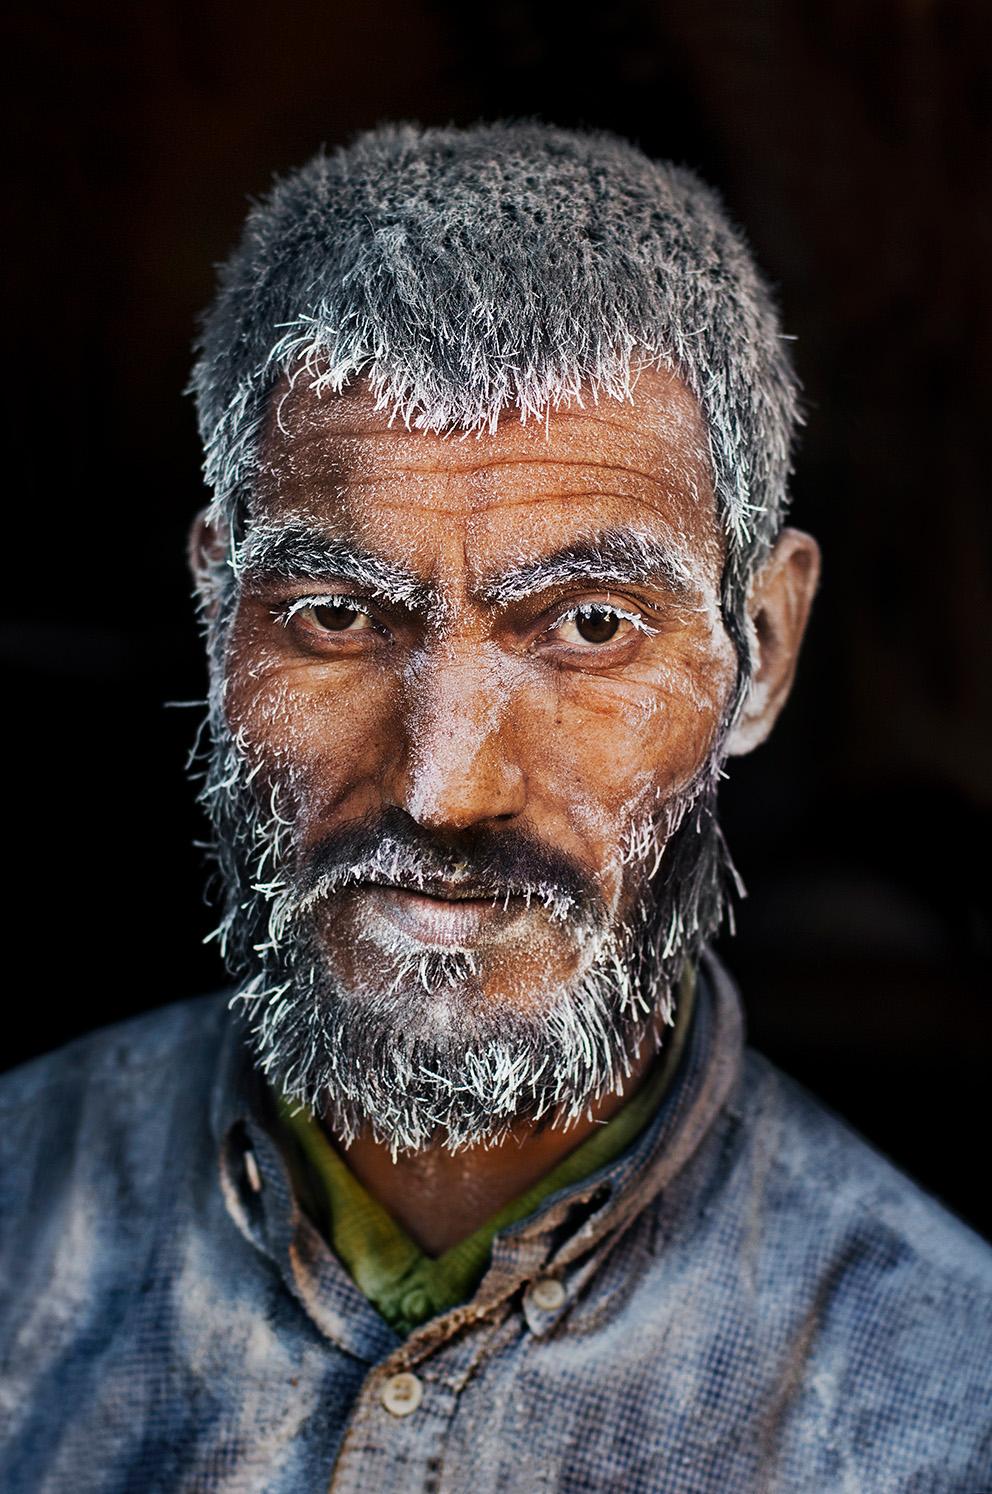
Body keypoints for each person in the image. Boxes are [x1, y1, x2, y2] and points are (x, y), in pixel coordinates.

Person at [1, 120, 989, 1493]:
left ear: (759, 647)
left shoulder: (951, 1408)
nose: (444, 786)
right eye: (336, 615)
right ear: (215, 607)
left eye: (589, 625)